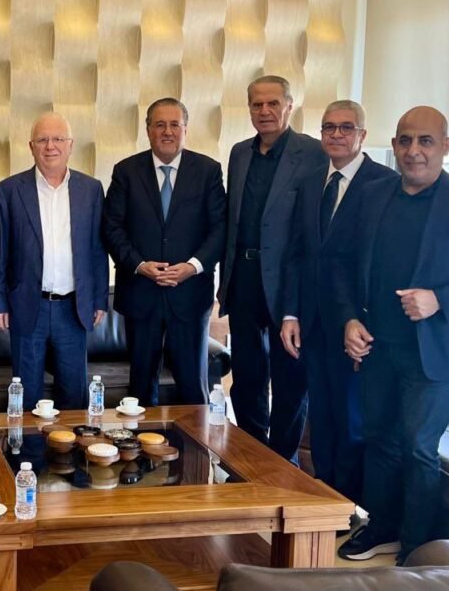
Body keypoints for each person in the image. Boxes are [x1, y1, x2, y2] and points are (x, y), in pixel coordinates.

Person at [334, 106, 449, 563]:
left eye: (425, 141)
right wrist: (349, 319)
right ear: (394, 145)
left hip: (432, 351)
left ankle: (417, 546)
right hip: (376, 346)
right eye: (405, 140)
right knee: (378, 439)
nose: (413, 151)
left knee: (418, 448)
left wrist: (441, 298)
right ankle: (381, 527)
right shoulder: (372, 194)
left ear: (446, 146)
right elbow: (338, 262)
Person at [280, 100, 396, 512]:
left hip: (357, 328)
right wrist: (290, 313)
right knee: (322, 418)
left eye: (346, 128)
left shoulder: (385, 183)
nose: (336, 135)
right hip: (312, 322)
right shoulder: (312, 181)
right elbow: (296, 253)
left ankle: (352, 509)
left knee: (352, 422)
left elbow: (384, 264)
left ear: (363, 135)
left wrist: (362, 321)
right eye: (329, 127)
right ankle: (325, 502)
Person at [218, 75, 325, 461]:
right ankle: (251, 458)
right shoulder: (239, 153)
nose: (264, 111)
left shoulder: (313, 153)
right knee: (247, 377)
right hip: (243, 278)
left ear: (289, 106)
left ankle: (283, 462)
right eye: (256, 104)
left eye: (273, 104)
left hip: (288, 282)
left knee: (290, 379)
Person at [103, 98, 227, 405]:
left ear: (186, 129)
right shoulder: (126, 171)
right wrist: (139, 264)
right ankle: (143, 438)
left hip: (190, 293)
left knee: (192, 387)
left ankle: (193, 439)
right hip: (140, 292)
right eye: (160, 125)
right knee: (140, 390)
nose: (167, 131)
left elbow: (221, 228)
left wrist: (193, 266)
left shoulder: (208, 171)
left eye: (174, 124)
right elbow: (111, 228)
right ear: (148, 130)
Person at [0, 113, 109, 410]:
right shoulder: (9, 190)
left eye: (58, 139)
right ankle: (27, 444)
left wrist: (99, 299)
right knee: (26, 397)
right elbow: (1, 250)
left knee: (74, 397)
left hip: (73, 308)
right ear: (31, 146)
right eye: (42, 139)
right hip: (26, 306)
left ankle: (69, 444)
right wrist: (0, 301)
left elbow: (98, 249)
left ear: (70, 145)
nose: (50, 146)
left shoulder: (91, 189)